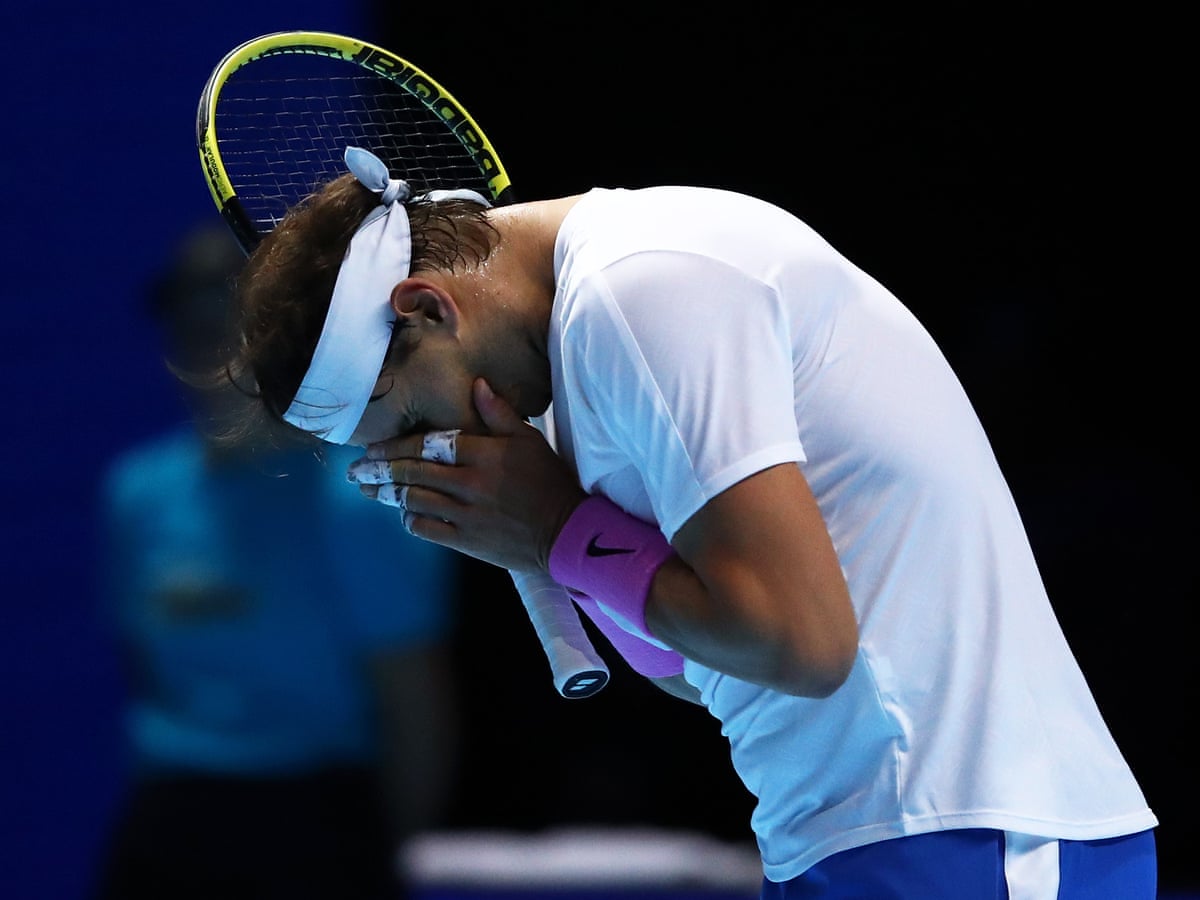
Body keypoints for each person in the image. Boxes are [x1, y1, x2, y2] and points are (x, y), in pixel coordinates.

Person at [214, 146, 1158, 898]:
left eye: (417, 421)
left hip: (966, 833)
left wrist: (555, 533)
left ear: (426, 307)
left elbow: (801, 645)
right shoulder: (582, 361)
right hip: (856, 840)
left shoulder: (642, 285)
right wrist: (556, 537)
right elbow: (712, 677)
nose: (437, 448)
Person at [94, 223, 461, 900]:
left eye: (228, 325)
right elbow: (146, 666)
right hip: (170, 819)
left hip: (312, 820)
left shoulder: (359, 500)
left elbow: (414, 703)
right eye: (190, 323)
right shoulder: (136, 494)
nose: (208, 352)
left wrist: (383, 856)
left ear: (275, 339)